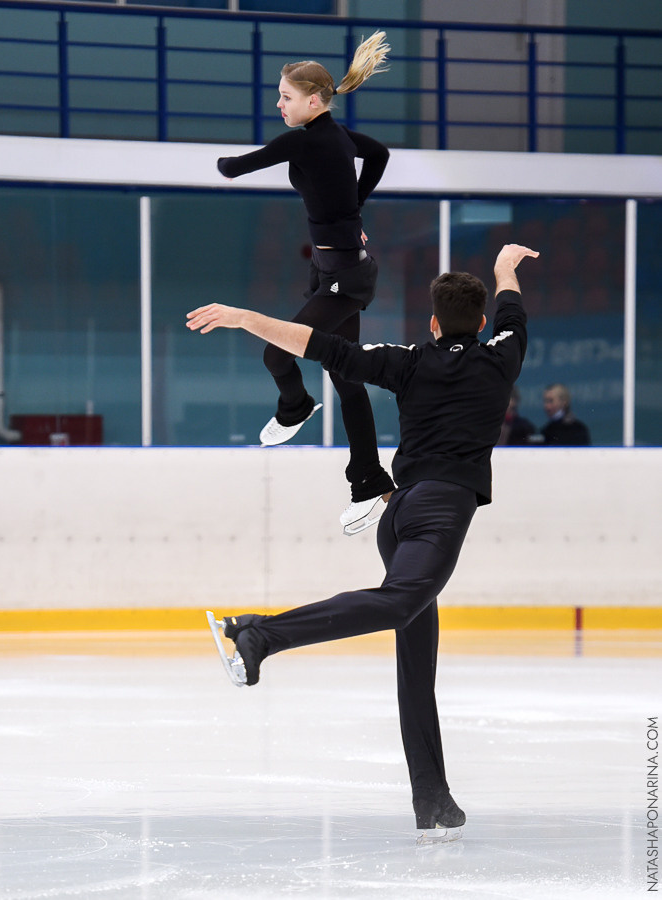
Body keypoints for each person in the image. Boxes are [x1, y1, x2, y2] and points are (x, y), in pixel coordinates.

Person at [187, 243, 539, 842]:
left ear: (433, 323)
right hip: (437, 516)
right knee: (401, 604)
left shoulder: (406, 361)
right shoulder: (502, 355)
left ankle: (433, 800)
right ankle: (261, 635)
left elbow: (319, 346)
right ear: (481, 322)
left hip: (397, 515)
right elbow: (511, 303)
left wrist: (246, 318)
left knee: (416, 667)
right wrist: (506, 265)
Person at [216, 31, 395, 535]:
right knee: (346, 378)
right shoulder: (338, 136)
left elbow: (234, 168)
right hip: (334, 269)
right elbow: (379, 154)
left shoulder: (305, 140)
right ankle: (371, 484)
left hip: (346, 279)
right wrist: (354, 208)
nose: (279, 105)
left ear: (313, 100)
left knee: (277, 354)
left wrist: (211, 162)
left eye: (286, 97)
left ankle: (294, 408)